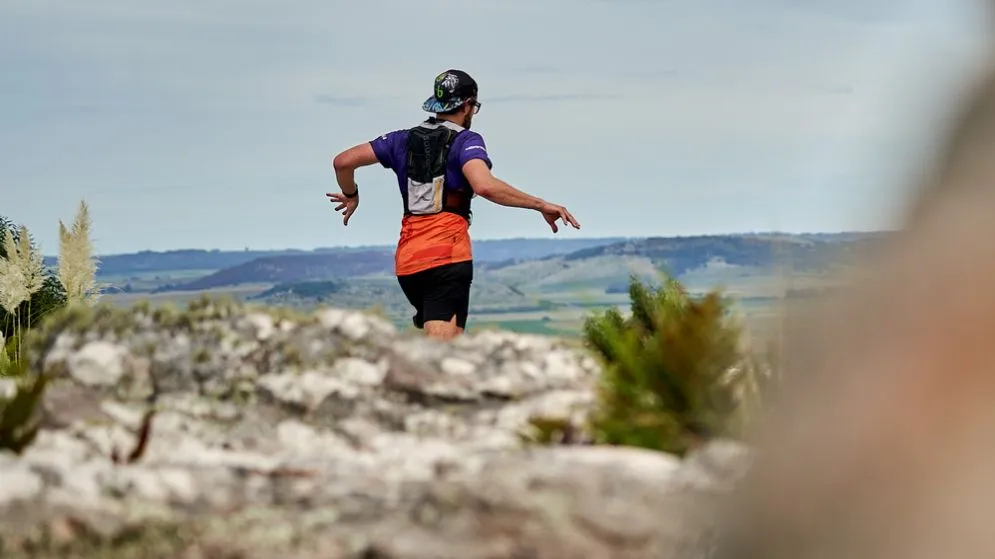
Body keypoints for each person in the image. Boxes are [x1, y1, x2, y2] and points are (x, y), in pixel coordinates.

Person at [327, 69, 581, 340]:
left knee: (442, 343)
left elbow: (343, 162)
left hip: (408, 262)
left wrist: (351, 194)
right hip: (446, 258)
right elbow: (484, 186)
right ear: (468, 105)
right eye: (475, 107)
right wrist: (540, 204)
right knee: (442, 354)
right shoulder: (466, 141)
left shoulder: (400, 139)